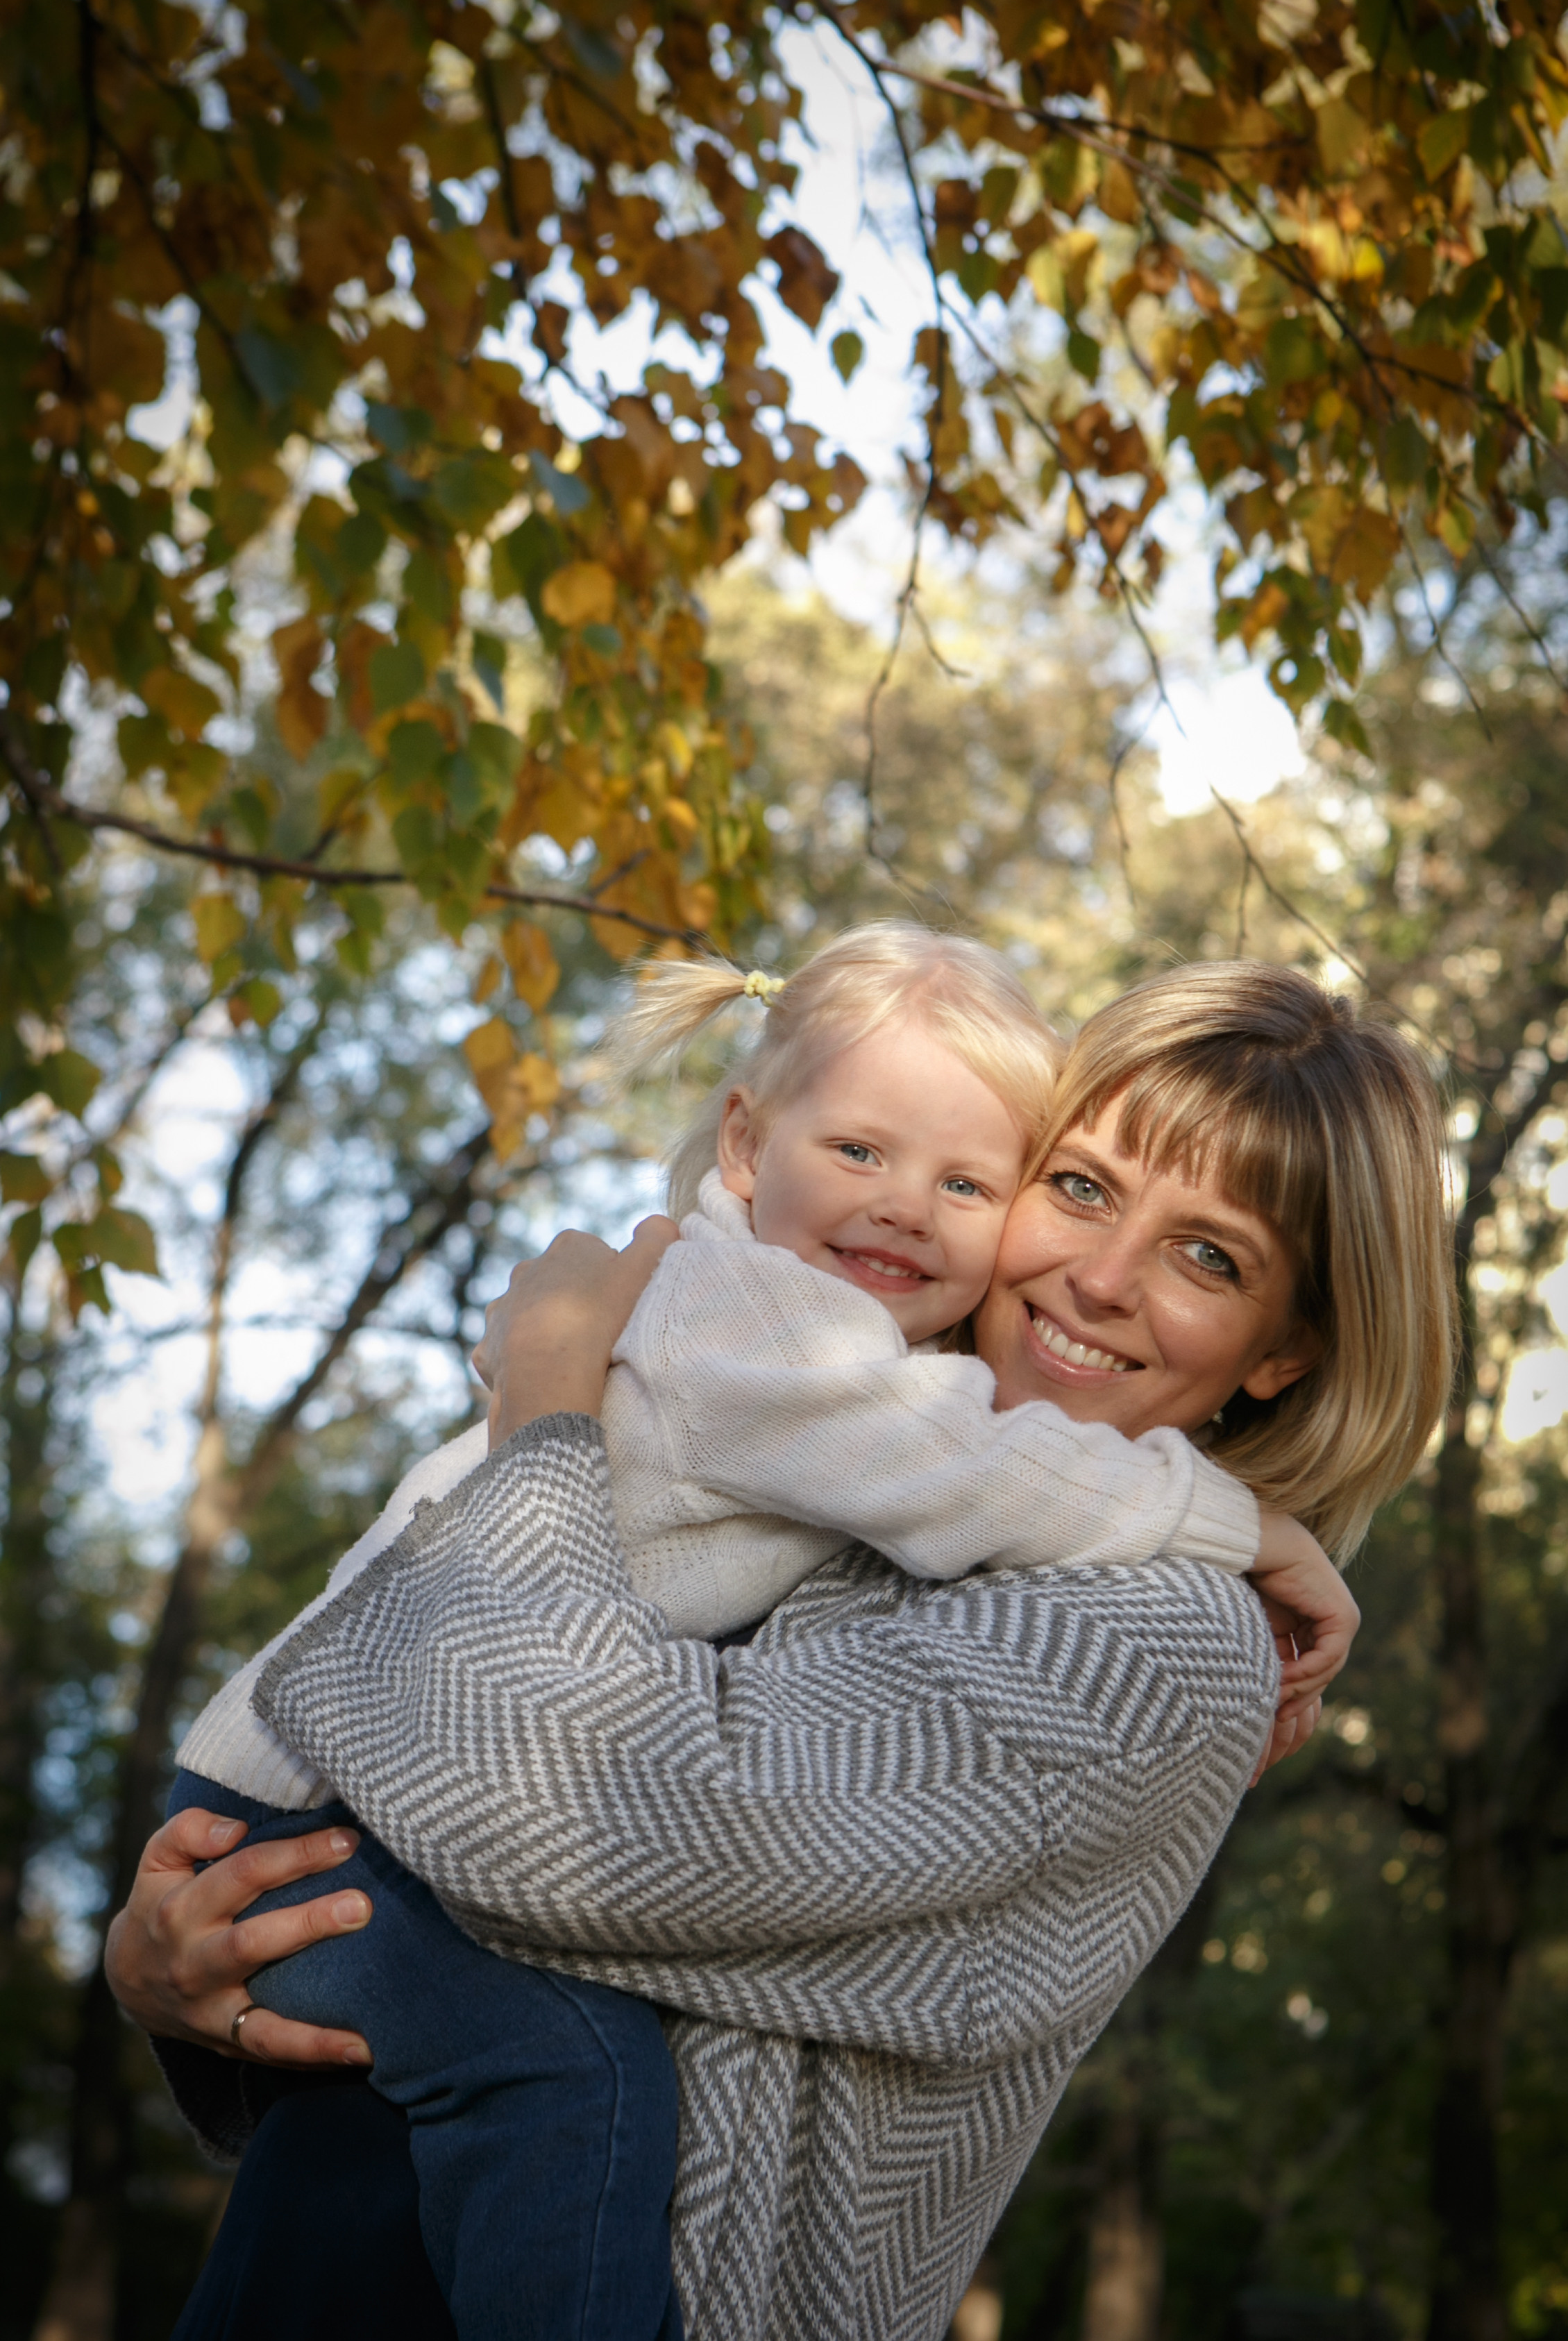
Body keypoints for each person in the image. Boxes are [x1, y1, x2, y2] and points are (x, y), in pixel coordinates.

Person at [108, 959, 1456, 2341]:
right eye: (1083, 1187)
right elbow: (399, 1814)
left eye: (1206, 1254)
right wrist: (187, 1977)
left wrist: (546, 1412)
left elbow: (586, 1822)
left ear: (1281, 1355)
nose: (1100, 1277)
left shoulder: (1164, 1639)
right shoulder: (845, 1459)